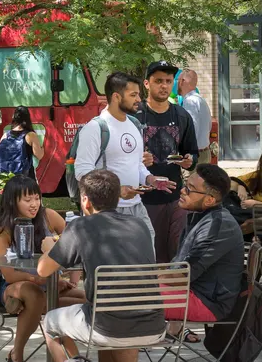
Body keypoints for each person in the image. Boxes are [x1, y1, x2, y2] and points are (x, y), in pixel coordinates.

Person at [37, 169, 167, 362]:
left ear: (85, 200)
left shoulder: (81, 226)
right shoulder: (139, 225)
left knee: (50, 323)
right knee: (123, 308)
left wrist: (49, 246)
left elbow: (44, 270)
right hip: (153, 324)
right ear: (118, 197)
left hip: (106, 326)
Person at [0, 175, 85, 362]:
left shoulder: (48, 216)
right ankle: (17, 355)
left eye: (37, 198)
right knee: (33, 292)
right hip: (16, 289)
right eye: (27, 200)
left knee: (85, 297)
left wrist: (69, 278)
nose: (34, 204)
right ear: (12, 201)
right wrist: (44, 279)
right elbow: (9, 275)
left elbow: (75, 243)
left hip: (49, 287)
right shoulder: (2, 230)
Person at [73, 71, 168, 245]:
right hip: (107, 210)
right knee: (115, 261)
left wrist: (150, 178)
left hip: (137, 206)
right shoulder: (95, 128)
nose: (139, 99)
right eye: (133, 95)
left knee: (146, 250)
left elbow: (136, 164)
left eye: (138, 94)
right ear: (116, 97)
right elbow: (82, 171)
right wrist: (116, 191)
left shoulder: (134, 124)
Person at [168, 165, 245, 341]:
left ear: (210, 200)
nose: (182, 191)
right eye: (184, 185)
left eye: (189, 189)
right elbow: (177, 266)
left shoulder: (216, 226)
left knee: (124, 296)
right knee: (118, 291)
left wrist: (141, 281)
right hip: (191, 292)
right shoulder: (200, 216)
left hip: (208, 303)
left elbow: (182, 275)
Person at [137, 61, 198, 263]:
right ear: (147, 84)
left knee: (178, 253)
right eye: (158, 81)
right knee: (151, 257)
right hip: (144, 200)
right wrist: (137, 160)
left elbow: (192, 153)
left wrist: (190, 161)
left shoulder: (182, 115)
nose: (164, 86)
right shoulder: (134, 116)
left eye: (168, 81)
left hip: (175, 197)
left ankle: (175, 292)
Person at [0, 106, 44, 178]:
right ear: (28, 118)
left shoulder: (5, 136)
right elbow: (39, 155)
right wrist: (43, 149)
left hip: (8, 178)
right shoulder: (30, 135)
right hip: (25, 178)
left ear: (14, 118)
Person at [178, 69, 213, 164]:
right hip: (205, 152)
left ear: (182, 81)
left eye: (178, 80)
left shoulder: (189, 101)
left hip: (194, 156)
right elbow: (209, 126)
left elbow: (191, 130)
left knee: (189, 179)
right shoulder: (200, 100)